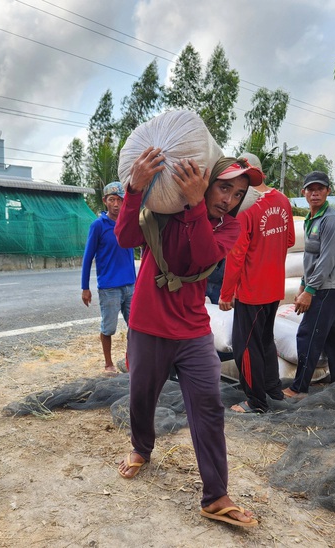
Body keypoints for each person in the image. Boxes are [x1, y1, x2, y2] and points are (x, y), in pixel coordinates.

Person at [114, 147, 260, 528]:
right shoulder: (165, 212)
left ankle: (215, 496)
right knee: (141, 396)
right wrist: (134, 189)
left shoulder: (230, 226)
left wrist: (198, 207)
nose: (229, 200)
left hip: (194, 330)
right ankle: (141, 448)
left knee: (209, 405)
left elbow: (202, 258)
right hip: (148, 324)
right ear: (207, 183)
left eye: (238, 194)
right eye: (224, 189)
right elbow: (125, 237)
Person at [218, 155, 295, 413]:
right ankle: (273, 390)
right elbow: (290, 240)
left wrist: (227, 293)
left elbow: (236, 255)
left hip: (252, 290)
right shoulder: (282, 200)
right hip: (274, 288)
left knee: (245, 347)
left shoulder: (246, 207)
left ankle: (255, 401)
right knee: (265, 340)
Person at [283, 171, 335, 400]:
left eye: (320, 189)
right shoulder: (313, 218)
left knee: (308, 333)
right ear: (303, 193)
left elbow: (327, 260)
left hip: (329, 287)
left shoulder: (331, 220)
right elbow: (311, 257)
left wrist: (310, 290)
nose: (315, 193)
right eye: (310, 189)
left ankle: (299, 388)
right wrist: (303, 283)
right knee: (333, 335)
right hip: (322, 284)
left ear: (328, 191)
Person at [81, 181, 136, 376]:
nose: (116, 204)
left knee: (136, 327)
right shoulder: (98, 225)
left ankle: (132, 360)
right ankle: (108, 364)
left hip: (131, 285)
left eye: (120, 200)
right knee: (109, 328)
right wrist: (84, 287)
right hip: (109, 287)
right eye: (111, 199)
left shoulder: (129, 222)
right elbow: (88, 257)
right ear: (105, 201)